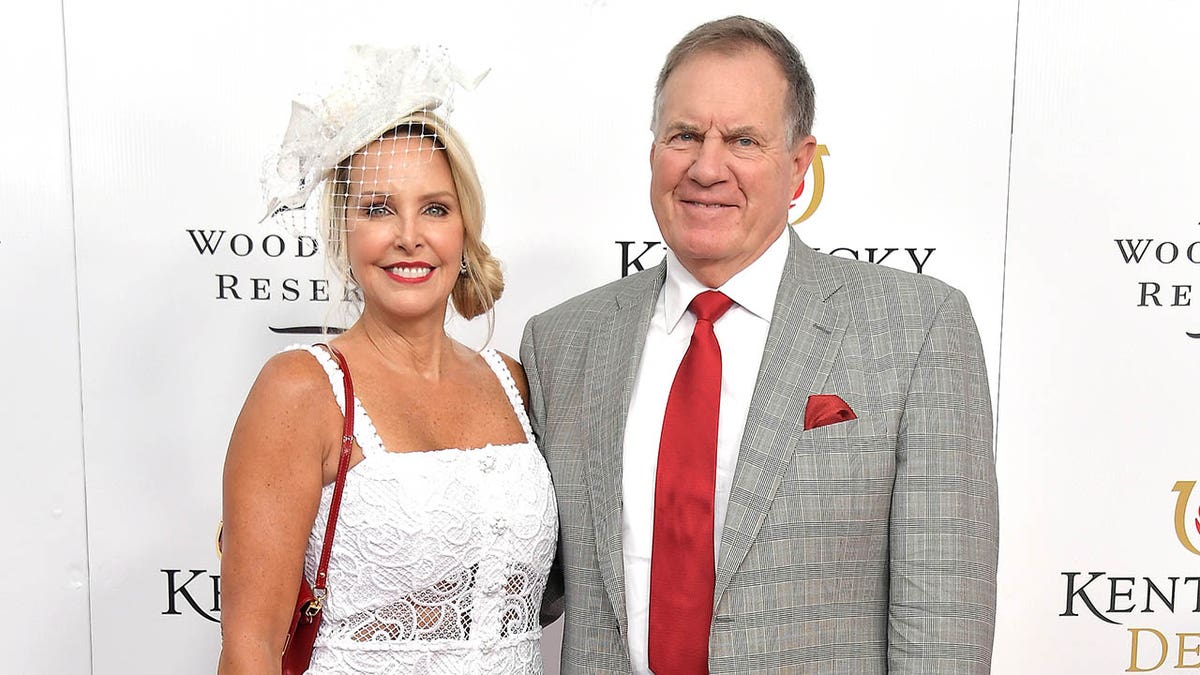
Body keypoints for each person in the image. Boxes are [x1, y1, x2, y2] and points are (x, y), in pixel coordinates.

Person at [521, 16, 998, 674]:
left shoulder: (915, 328)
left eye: (742, 140)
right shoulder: (563, 341)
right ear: (654, 150)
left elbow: (944, 624)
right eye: (684, 135)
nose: (706, 167)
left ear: (798, 166)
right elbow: (517, 585)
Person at [218, 45, 557, 674]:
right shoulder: (301, 390)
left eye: (435, 207)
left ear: (464, 228)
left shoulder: (513, 382)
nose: (409, 234)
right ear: (344, 230)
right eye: (377, 209)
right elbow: (250, 650)